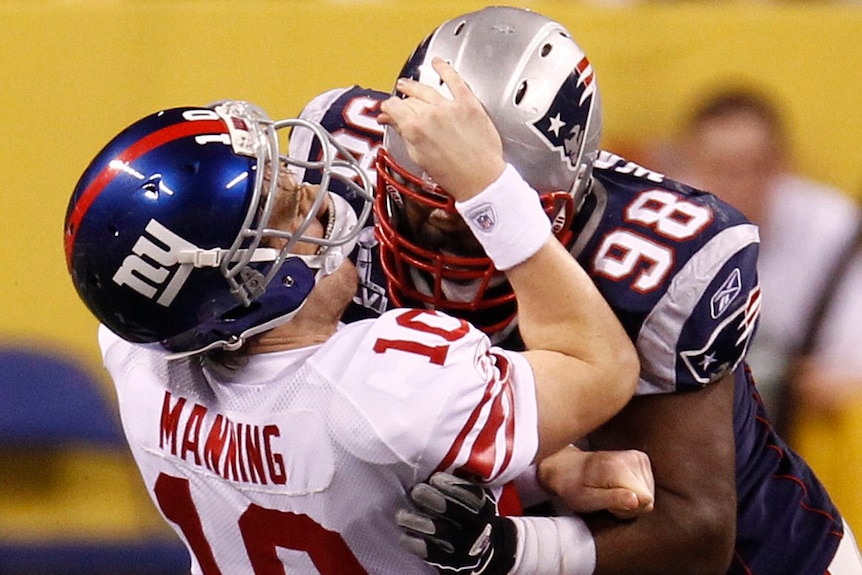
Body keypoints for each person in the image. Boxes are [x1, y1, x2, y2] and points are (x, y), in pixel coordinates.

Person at [289, 6, 862, 574]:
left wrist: (509, 549)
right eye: (421, 200)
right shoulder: (342, 162)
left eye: (479, 211)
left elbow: (696, 529)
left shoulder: (654, 260)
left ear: (564, 196)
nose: (442, 234)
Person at [63, 90, 646, 573]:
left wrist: (547, 466)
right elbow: (600, 366)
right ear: (255, 288)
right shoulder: (390, 385)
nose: (315, 193)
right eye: (286, 203)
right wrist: (488, 189)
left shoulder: (137, 350)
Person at [661, 87, 862, 431]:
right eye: (721, 169)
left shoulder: (835, 230)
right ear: (689, 167)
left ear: (783, 164)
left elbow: (850, 367)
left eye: (755, 167)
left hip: (801, 428)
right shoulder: (663, 230)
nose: (738, 184)